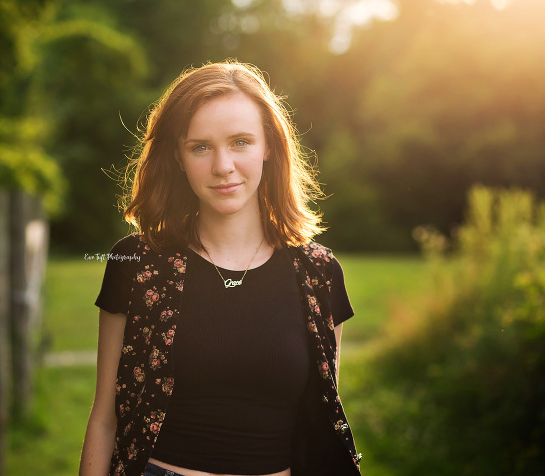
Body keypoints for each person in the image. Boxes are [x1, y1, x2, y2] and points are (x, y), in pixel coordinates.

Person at [79, 60, 362, 476]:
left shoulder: (319, 274)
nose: (222, 166)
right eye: (201, 147)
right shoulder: (136, 264)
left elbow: (321, 425)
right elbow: (105, 418)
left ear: (269, 146)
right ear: (177, 155)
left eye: (241, 142)